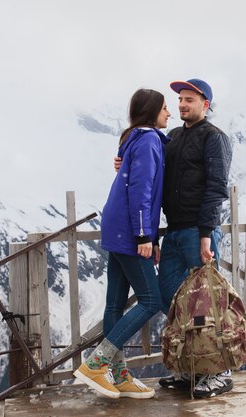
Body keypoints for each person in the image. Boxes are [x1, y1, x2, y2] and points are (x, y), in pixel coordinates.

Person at [114, 78, 233, 398]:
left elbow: (216, 187)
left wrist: (207, 234)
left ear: (205, 105)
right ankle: (190, 367)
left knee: (205, 305)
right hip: (175, 232)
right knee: (171, 301)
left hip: (198, 232)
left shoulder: (214, 138)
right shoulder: (173, 138)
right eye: (180, 99)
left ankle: (218, 372)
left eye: (190, 100)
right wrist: (124, 163)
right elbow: (150, 169)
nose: (182, 104)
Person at [74, 88, 171, 399]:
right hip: (131, 232)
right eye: (165, 108)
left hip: (116, 228)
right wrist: (144, 236)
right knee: (151, 300)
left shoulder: (134, 139)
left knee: (115, 304)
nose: (169, 113)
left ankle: (118, 375)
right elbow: (141, 191)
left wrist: (148, 235)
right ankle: (97, 364)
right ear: (152, 112)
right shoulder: (148, 141)